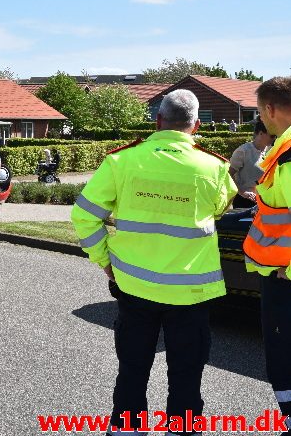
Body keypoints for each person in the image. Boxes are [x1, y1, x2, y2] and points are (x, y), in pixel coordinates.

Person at [71, 89, 236, 436]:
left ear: (158, 120)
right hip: (191, 291)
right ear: (194, 126)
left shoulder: (121, 161)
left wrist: (105, 261)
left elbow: (84, 216)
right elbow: (220, 208)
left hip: (134, 287)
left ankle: (128, 429)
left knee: (132, 369)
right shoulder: (215, 166)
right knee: (187, 373)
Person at [243, 77, 291, 435]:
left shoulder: (288, 155)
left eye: (260, 112)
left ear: (270, 109)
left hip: (284, 279)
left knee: (283, 356)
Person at [229, 120, 273, 208]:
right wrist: (242, 192)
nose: (274, 138)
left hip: (265, 201)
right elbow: (228, 174)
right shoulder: (243, 151)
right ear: (261, 133)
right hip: (245, 201)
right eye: (271, 136)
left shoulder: (271, 151)